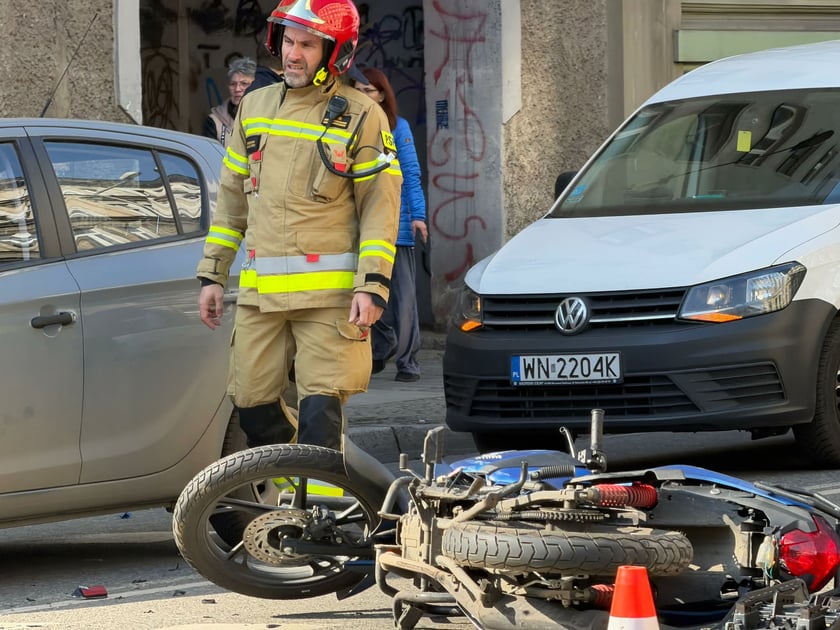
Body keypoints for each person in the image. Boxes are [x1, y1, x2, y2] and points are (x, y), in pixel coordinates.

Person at [196, 0, 403, 452]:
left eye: (307, 45)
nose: (293, 54)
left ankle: (322, 516)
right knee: (251, 404)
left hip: (330, 301)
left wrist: (372, 286)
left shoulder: (362, 115)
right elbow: (232, 203)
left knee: (320, 417)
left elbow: (380, 208)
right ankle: (305, 484)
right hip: (261, 297)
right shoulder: (254, 107)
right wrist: (213, 274)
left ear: (335, 54)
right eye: (289, 41)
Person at [353, 68, 428, 383]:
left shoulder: (399, 128)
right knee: (365, 290)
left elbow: (410, 174)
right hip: (364, 228)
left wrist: (418, 216)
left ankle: (407, 361)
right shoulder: (351, 126)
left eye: (368, 91)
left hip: (397, 228)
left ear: (382, 94)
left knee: (404, 299)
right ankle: (383, 345)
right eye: (358, 90)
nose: (362, 96)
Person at [202, 57, 256, 146]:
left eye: (244, 84)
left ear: (256, 86)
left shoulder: (268, 116)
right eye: (233, 84)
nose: (237, 89)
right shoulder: (214, 122)